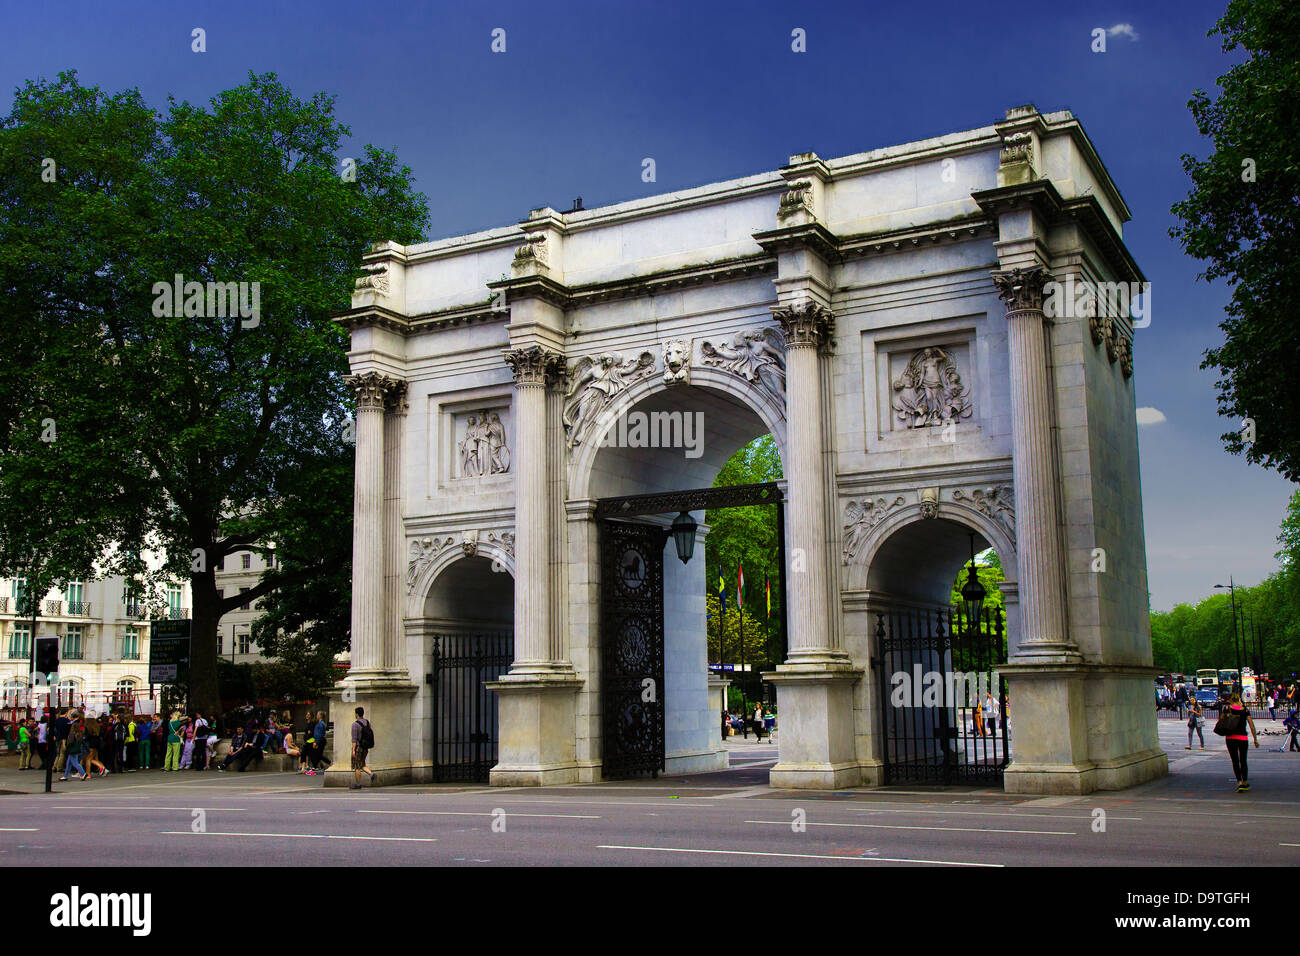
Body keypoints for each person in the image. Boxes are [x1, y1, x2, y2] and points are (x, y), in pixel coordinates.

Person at [1217, 693, 1259, 792]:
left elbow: (1220, 720)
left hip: (1230, 738)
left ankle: (1239, 781)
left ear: (1230, 700)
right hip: (1243, 738)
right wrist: (1255, 739)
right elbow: (1252, 726)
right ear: (1239, 699)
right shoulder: (1245, 710)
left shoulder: (1227, 709)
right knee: (1243, 760)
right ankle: (1245, 781)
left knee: (1235, 760)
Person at [350, 706, 375, 789]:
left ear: (356, 714)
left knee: (357, 766)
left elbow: (354, 739)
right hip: (365, 747)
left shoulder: (355, 724)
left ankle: (357, 783)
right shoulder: (367, 722)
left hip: (358, 747)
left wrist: (353, 750)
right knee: (362, 763)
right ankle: (371, 774)